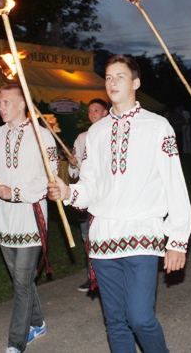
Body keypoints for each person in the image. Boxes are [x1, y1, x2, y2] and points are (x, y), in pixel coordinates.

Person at [47, 54, 191, 353]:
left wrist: (177, 239)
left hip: (142, 232)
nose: (112, 82)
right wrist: (68, 192)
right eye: (108, 77)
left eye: (120, 77)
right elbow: (90, 186)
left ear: (136, 82)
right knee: (115, 320)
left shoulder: (157, 126)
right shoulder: (95, 133)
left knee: (139, 318)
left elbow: (174, 183)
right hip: (104, 237)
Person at [0, 84, 58, 353]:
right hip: (4, 219)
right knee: (21, 280)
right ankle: (38, 322)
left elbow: (49, 180)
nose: (1, 107)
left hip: (31, 216)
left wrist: (16, 191)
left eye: (6, 102)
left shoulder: (43, 137)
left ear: (22, 104)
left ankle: (15, 342)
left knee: (21, 282)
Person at [68, 98, 109, 292]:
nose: (92, 113)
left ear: (105, 113)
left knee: (105, 235)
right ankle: (91, 277)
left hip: (106, 196)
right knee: (87, 236)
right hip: (87, 195)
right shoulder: (82, 137)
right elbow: (74, 173)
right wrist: (72, 161)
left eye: (96, 110)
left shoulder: (110, 134)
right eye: (90, 111)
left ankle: (107, 276)